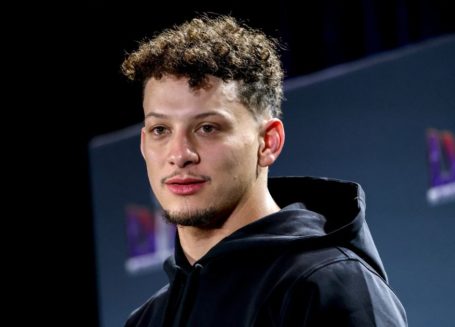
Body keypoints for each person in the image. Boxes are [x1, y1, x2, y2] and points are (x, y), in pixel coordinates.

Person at [121, 14, 407, 326]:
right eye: (160, 129)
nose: (179, 154)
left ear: (268, 142)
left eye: (207, 128)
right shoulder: (146, 320)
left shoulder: (331, 286)